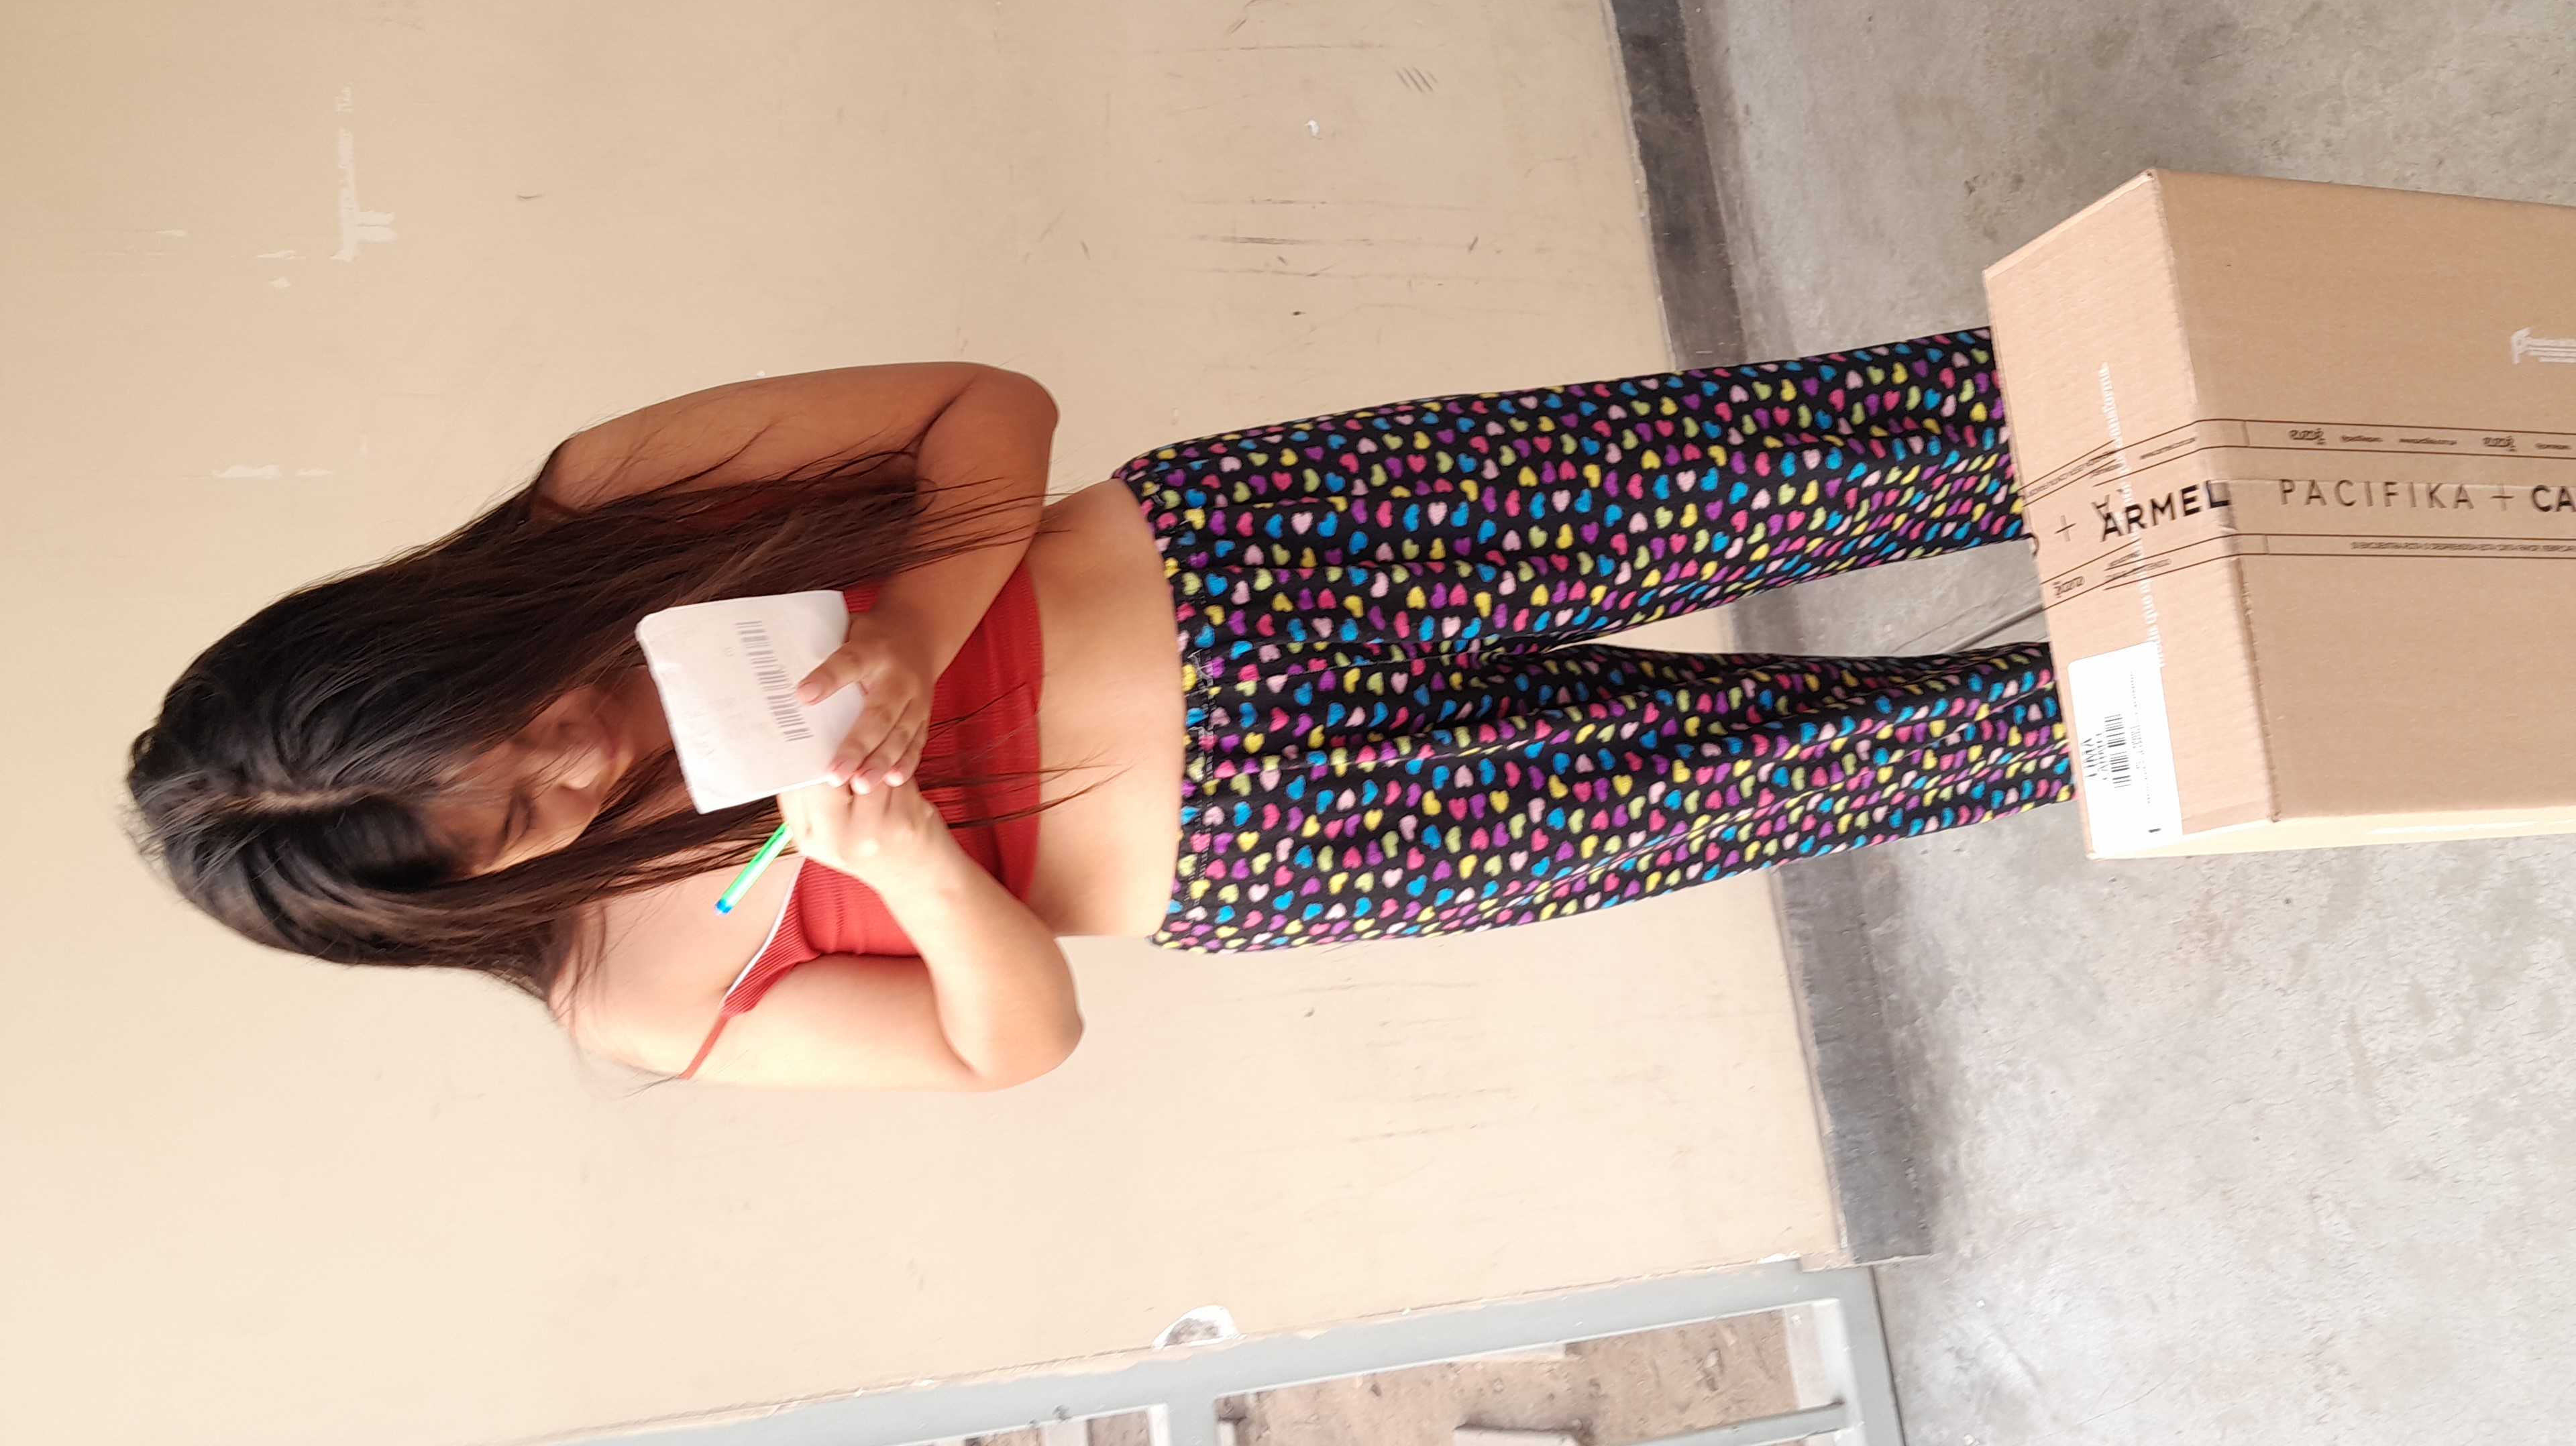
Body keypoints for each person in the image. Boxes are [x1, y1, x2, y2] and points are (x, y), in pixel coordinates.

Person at [128, 331, 2070, 1091]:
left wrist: (918, 629)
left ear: (437, 639)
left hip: (1279, 545)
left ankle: (2231, 377)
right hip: (1303, 842)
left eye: (514, 716)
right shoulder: (629, 998)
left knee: (1852, 453)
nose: (575, 754)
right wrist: (920, 873)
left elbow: (983, 409)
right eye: (527, 818)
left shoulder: (602, 504)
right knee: (1911, 753)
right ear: (464, 906)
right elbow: (1011, 1047)